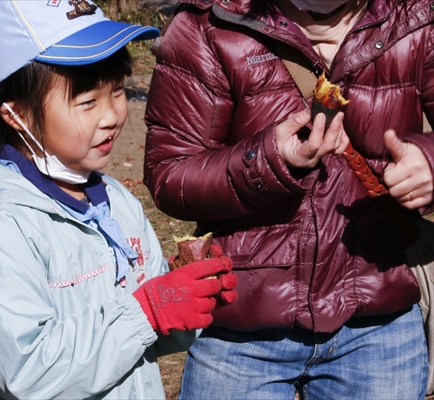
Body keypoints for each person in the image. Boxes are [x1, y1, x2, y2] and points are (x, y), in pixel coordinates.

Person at [0, 1, 238, 399]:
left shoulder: (115, 201)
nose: (113, 115)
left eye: (116, 91)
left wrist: (186, 297)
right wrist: (148, 311)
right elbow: (26, 373)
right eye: (87, 101)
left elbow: (142, 339)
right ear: (17, 115)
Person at [144, 0, 434, 398]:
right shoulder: (206, 25)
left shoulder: (417, 16)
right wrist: (269, 161)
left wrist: (431, 162)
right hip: (240, 327)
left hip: (379, 317)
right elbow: (169, 173)